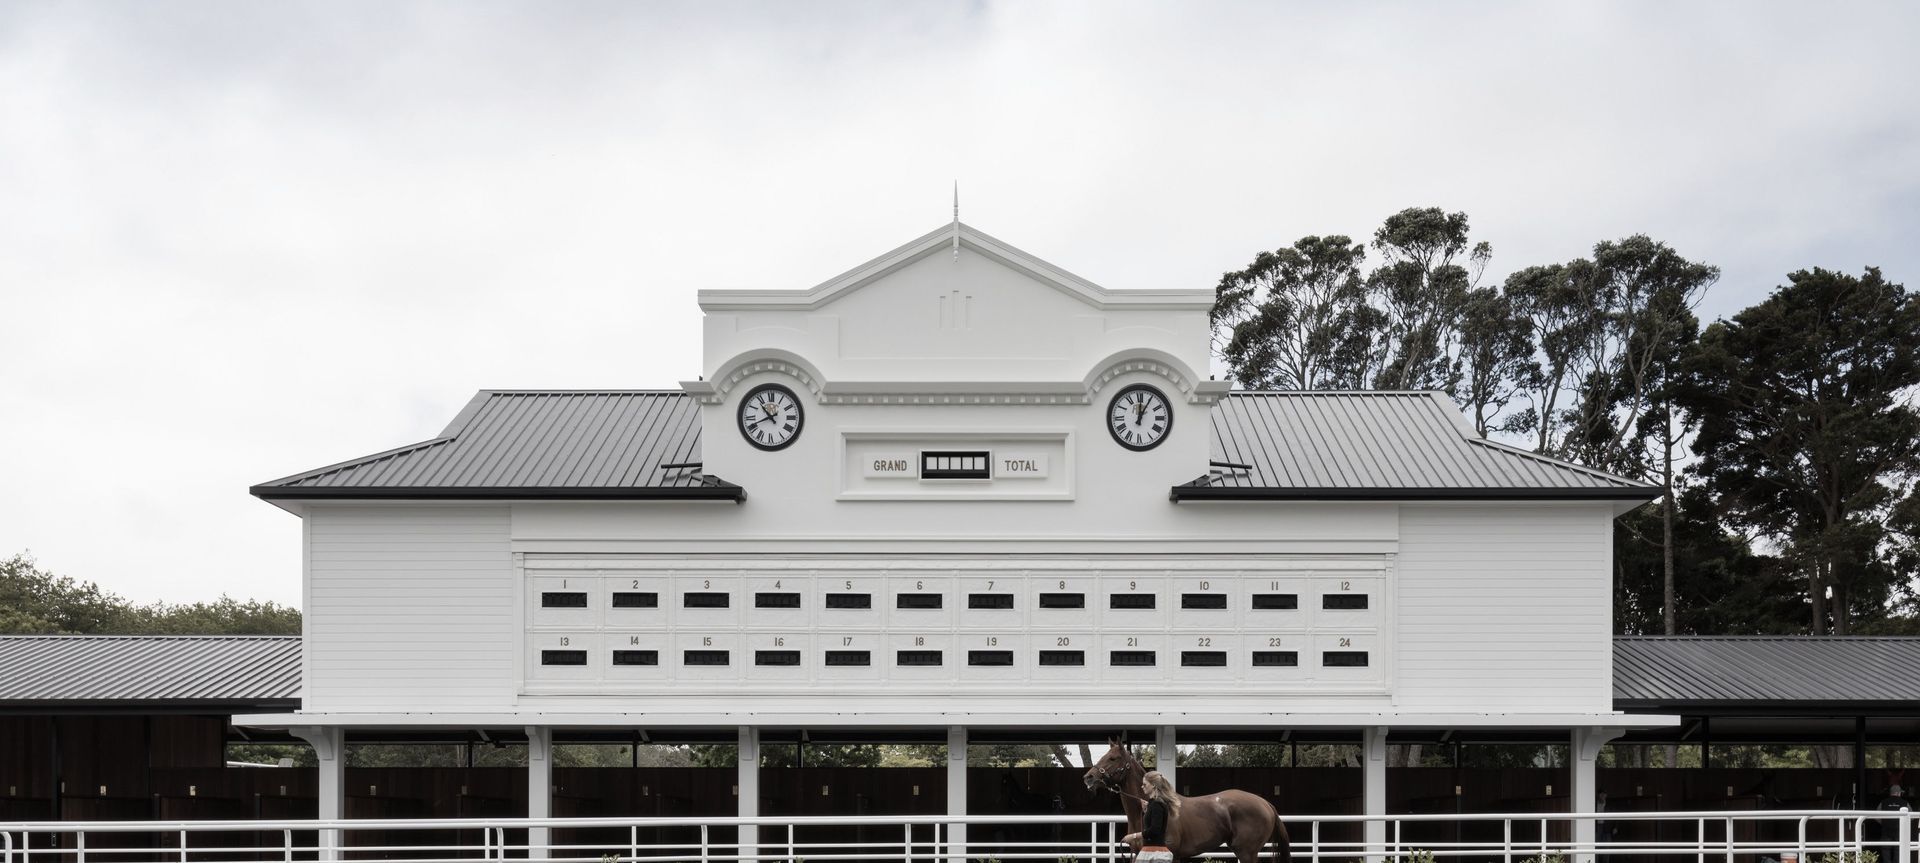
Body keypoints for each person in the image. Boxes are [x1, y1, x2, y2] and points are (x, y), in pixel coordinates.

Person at [1137, 771, 1181, 863]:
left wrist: (1134, 836)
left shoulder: (1157, 804)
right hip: (1153, 851)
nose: (1142, 787)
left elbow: (1155, 830)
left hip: (1154, 853)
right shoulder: (1154, 804)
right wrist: (1146, 811)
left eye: (1144, 784)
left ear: (1153, 785)